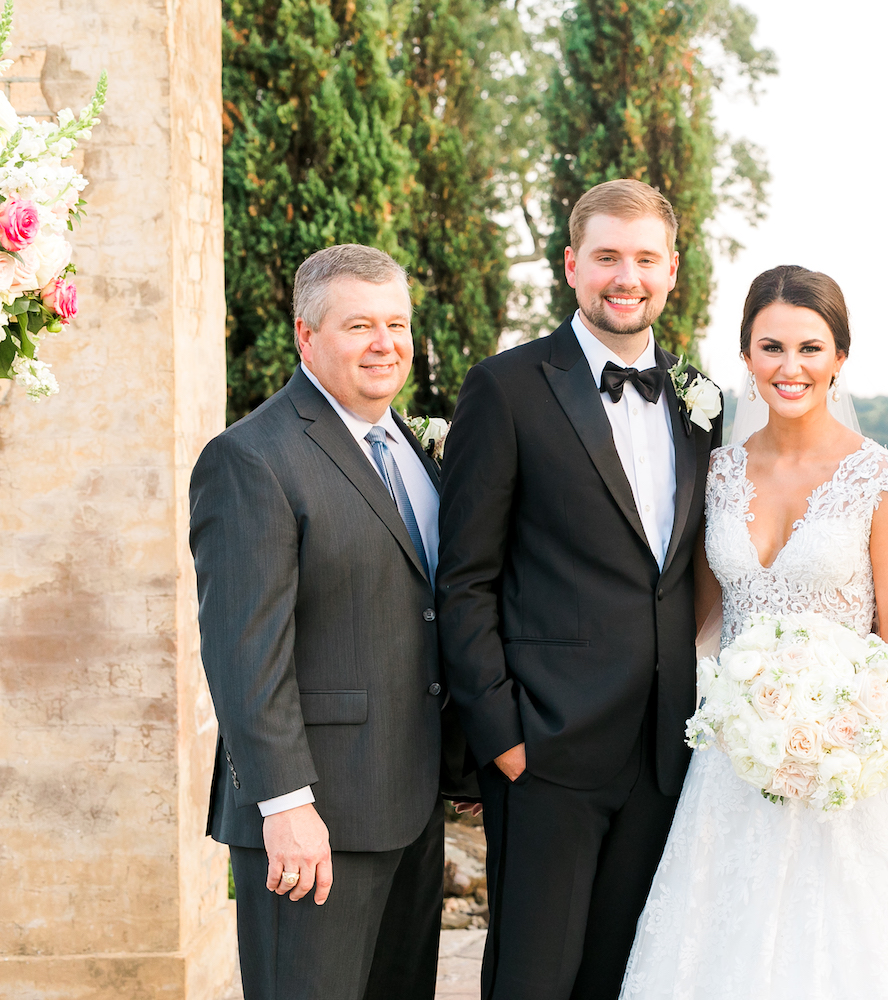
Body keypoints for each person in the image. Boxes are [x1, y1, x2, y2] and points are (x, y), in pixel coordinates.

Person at [620, 265, 888, 999]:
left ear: (840, 357)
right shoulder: (717, 473)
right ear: (746, 356)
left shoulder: (881, 480)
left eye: (810, 348)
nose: (791, 367)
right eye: (772, 347)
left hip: (846, 765)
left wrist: (829, 733)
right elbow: (703, 620)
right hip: (733, 761)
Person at [436, 178, 723, 1000]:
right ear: (571, 265)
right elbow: (465, 578)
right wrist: (502, 735)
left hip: (662, 752)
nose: (626, 277)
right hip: (546, 751)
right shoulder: (506, 387)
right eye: (607, 257)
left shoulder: (700, 401)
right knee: (532, 980)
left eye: (645, 259)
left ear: (672, 271)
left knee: (621, 979)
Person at [190, 245, 449, 1000]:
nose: (385, 344)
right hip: (313, 822)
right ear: (306, 336)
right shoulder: (251, 458)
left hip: (410, 809)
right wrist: (285, 805)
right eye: (359, 325)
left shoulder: (412, 452)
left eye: (397, 324)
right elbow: (244, 653)